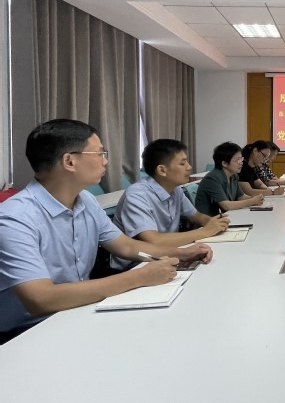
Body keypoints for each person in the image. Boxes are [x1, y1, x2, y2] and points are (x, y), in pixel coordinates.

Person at [0, 119, 212, 342]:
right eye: (100, 153)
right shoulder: (15, 217)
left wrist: (182, 253)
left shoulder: (86, 201)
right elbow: (41, 299)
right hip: (23, 333)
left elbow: (126, 246)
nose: (106, 161)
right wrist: (139, 277)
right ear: (70, 161)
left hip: (74, 311)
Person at [110, 139, 230, 271]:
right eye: (182, 163)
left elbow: (195, 216)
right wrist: (205, 231)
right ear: (162, 170)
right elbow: (153, 241)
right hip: (137, 263)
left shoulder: (175, 189)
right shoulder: (137, 195)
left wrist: (211, 222)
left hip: (169, 252)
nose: (189, 167)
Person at [194, 142, 265, 215]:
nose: (241, 163)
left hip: (224, 216)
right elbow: (226, 206)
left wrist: (255, 199)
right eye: (237, 160)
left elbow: (241, 196)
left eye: (241, 159)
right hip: (208, 220)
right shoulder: (212, 178)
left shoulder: (234, 176)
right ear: (224, 163)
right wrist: (251, 201)